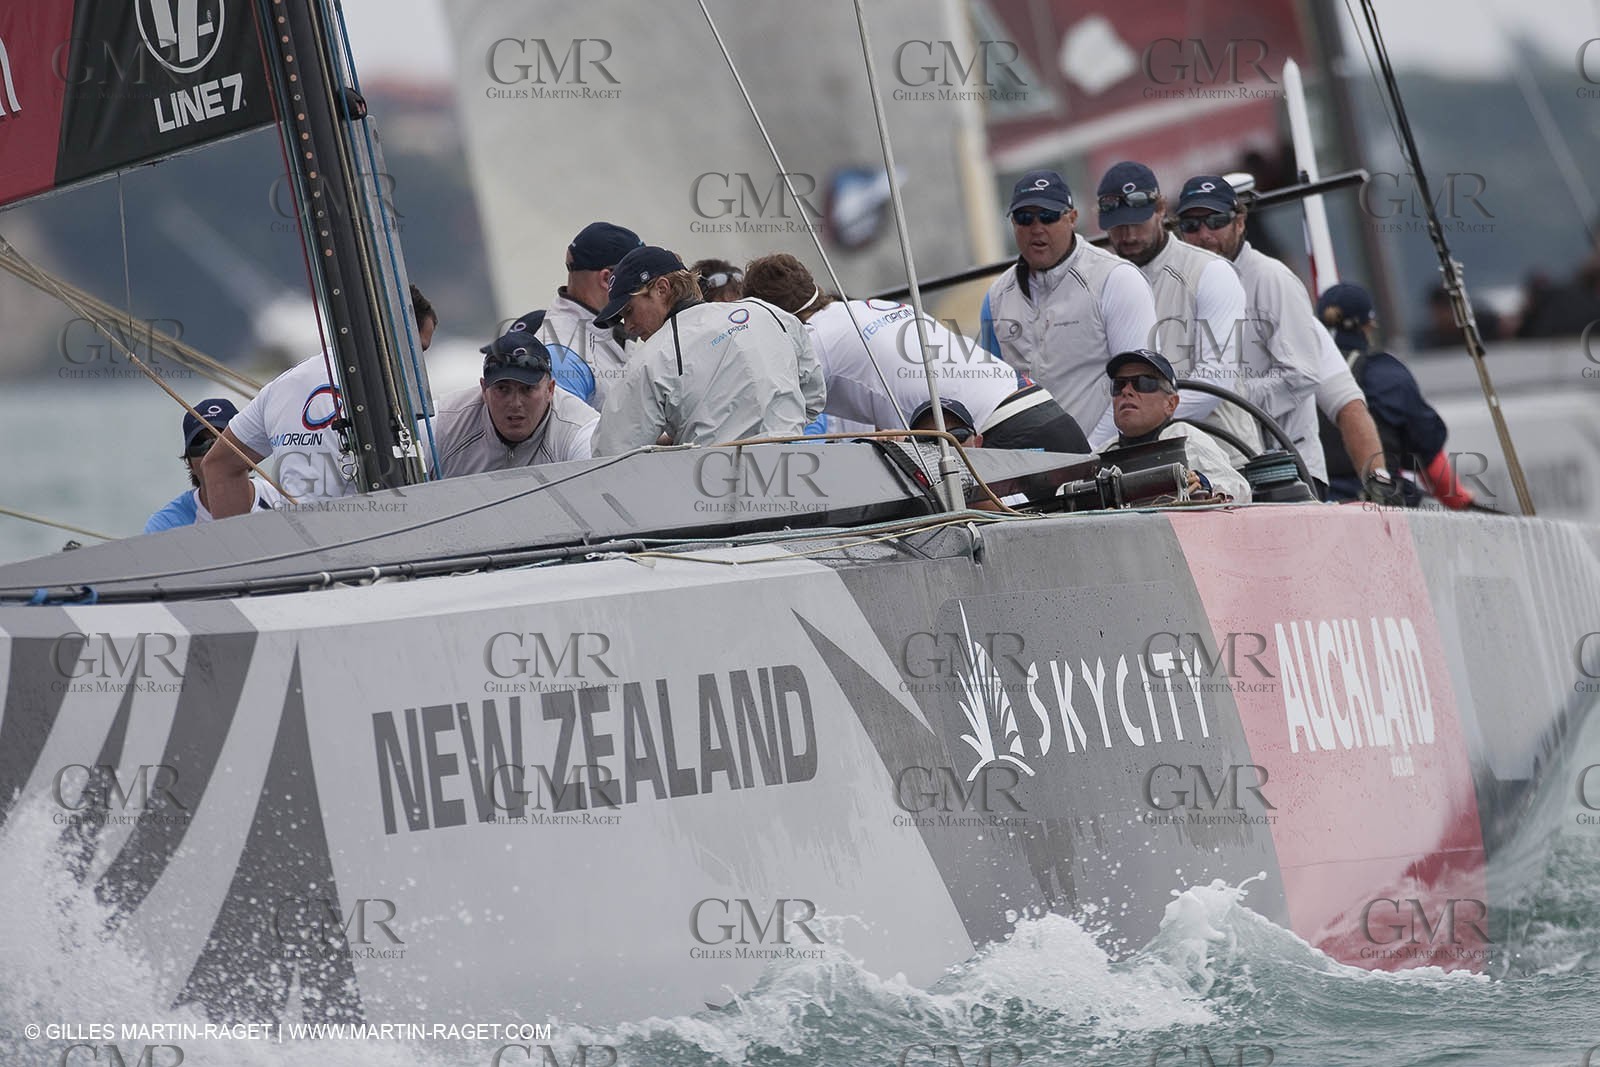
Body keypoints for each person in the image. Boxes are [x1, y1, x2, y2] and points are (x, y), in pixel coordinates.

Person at [744, 252, 1089, 452]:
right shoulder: (864, 308)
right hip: (1045, 412)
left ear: (771, 317)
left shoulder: (809, 340)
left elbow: (767, 423)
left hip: (999, 435)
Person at [1173, 174, 1385, 495]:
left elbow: (1308, 378)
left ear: (1240, 222)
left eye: (1216, 221)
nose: (1204, 234)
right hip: (1215, 473)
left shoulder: (1273, 280)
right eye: (1191, 225)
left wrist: (1227, 398)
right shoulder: (1177, 286)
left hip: (1286, 473)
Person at [204, 286, 437, 517]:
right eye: (420, 349)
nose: (421, 361)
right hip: (370, 533)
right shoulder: (393, 393)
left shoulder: (281, 386)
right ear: (398, 333)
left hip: (296, 536)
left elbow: (218, 465)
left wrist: (243, 540)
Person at [978, 169, 1157, 443]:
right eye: (1024, 218)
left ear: (1072, 218)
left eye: (1048, 216)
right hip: (1029, 460)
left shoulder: (1117, 279)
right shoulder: (996, 298)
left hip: (1110, 453)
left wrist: (1088, 454)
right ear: (1013, 223)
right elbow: (991, 395)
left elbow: (1139, 388)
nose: (1036, 227)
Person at [590, 246, 825, 454]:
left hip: (715, 482)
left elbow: (611, 456)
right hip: (796, 473)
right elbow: (814, 399)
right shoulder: (769, 314)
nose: (628, 327)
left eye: (629, 311)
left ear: (661, 289)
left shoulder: (650, 359)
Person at [1097, 161, 1258, 461]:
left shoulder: (1211, 270)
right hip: (1140, 460)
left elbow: (1215, 377)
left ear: (1161, 209)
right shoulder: (1102, 282)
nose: (1129, 235)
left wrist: (1138, 425)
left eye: (1138, 222)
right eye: (1118, 226)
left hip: (1223, 459)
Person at [1315, 284, 1475, 508]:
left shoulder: (1296, 373)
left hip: (1309, 507)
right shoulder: (1386, 375)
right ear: (1370, 324)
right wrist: (1463, 501)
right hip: (1379, 509)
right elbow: (1429, 458)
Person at [435, 323, 598, 476]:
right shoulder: (442, 423)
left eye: (527, 388)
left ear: (550, 390)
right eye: (502, 389)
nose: (515, 403)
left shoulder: (582, 431)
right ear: (484, 389)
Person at [1102, 349, 1252, 503]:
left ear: (1171, 404)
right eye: (1119, 385)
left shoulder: (1186, 439)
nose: (1126, 391)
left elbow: (1240, 490)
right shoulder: (1102, 453)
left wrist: (1205, 485)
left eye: (1143, 383)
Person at [538, 221, 644, 411]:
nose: (646, 289)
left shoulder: (605, 331)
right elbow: (565, 428)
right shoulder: (562, 353)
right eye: (640, 279)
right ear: (607, 279)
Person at [145, 399, 282, 532]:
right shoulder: (164, 526)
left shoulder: (282, 499)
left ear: (246, 450)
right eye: (200, 443)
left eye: (222, 441)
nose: (212, 452)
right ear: (189, 462)